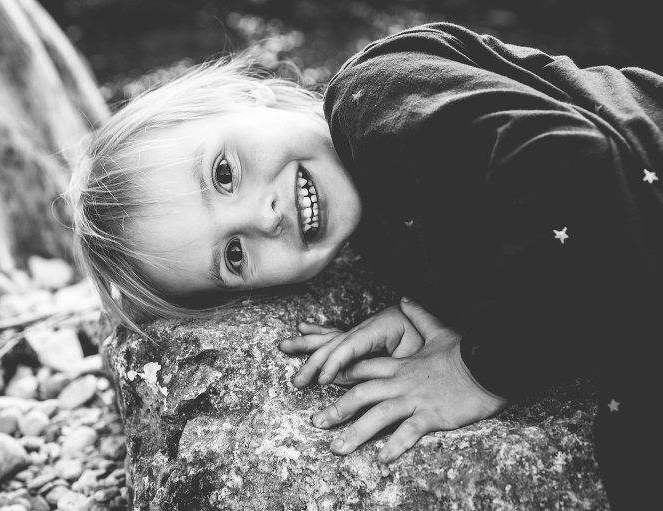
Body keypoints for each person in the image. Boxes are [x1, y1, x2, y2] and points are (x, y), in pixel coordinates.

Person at [68, 23, 662, 509]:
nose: (263, 215)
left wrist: (481, 368)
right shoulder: (380, 221)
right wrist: (455, 309)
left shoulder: (374, 99)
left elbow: (581, 177)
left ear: (250, 95)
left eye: (223, 173)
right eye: (234, 255)